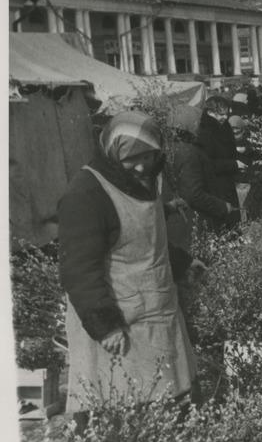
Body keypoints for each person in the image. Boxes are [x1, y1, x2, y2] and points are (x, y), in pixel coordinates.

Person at [58, 111, 197, 418]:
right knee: (124, 410)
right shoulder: (86, 193)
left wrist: (183, 262)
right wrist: (104, 327)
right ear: (111, 151)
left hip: (156, 313)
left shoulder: (143, 181)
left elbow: (144, 240)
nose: (140, 165)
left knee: (166, 403)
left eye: (148, 157)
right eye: (131, 158)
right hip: (118, 322)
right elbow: (78, 270)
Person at [170, 105, 238, 241]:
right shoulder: (188, 152)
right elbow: (193, 194)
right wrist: (222, 206)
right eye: (200, 124)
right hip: (199, 222)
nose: (203, 129)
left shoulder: (180, 148)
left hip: (194, 220)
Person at [197, 96, 242, 228]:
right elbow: (208, 164)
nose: (225, 117)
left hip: (226, 181)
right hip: (215, 186)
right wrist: (234, 165)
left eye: (226, 114)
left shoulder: (223, 126)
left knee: (231, 222)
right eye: (221, 114)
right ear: (210, 112)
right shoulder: (205, 132)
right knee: (223, 223)